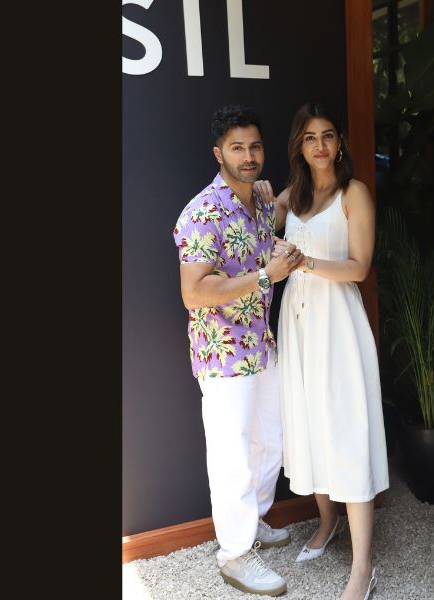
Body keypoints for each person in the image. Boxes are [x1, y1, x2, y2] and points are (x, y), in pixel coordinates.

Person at [254, 102, 389, 600]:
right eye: (310, 137)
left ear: (340, 142)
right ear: (299, 146)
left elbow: (359, 268)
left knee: (346, 427)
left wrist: (304, 261)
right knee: (308, 422)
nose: (320, 145)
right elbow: (256, 231)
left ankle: (362, 567)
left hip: (338, 323)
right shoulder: (292, 196)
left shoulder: (355, 193)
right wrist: (260, 199)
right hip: (299, 322)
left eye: (328, 135)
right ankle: (328, 521)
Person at [173, 104, 304, 597]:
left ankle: (254, 522)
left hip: (261, 346)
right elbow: (194, 292)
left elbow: (269, 235)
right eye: (237, 148)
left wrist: (281, 252)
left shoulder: (261, 203)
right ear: (218, 154)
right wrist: (266, 276)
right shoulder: (202, 212)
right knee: (231, 456)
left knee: (270, 441)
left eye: (255, 147)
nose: (248, 156)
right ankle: (234, 555)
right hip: (224, 354)